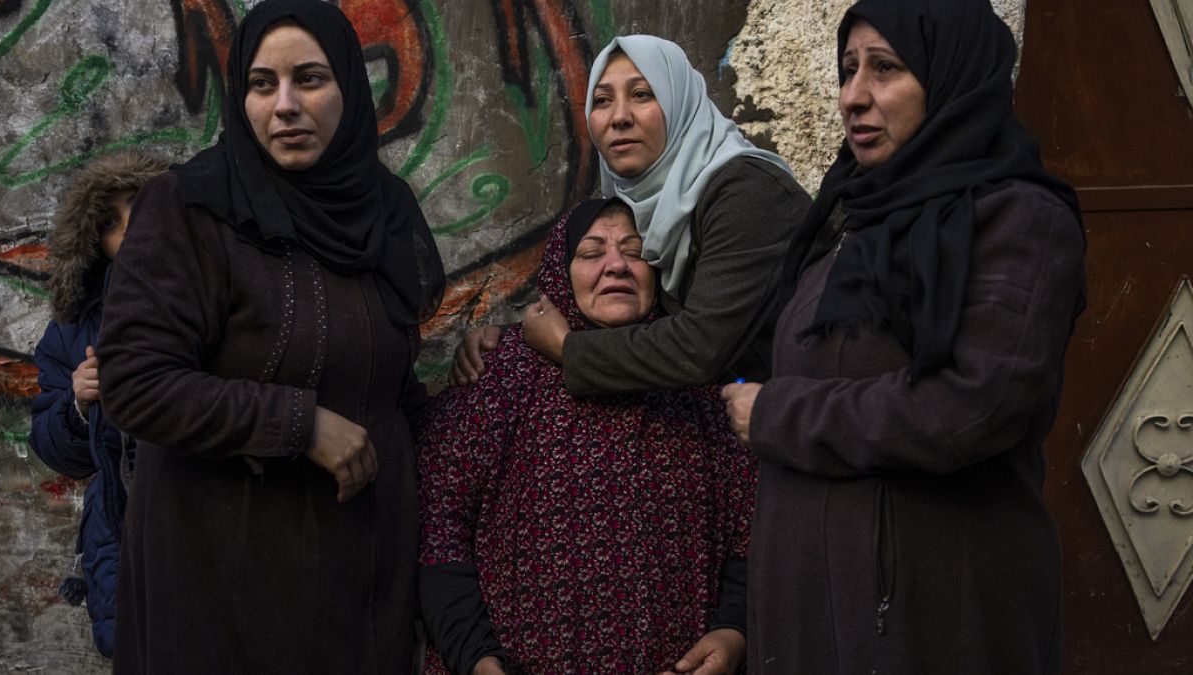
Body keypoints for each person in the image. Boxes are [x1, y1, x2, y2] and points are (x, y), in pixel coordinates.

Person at [720, 0, 1086, 672]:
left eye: (885, 69)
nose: (854, 97)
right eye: (848, 69)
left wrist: (778, 413)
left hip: (933, 619)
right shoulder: (849, 229)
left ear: (950, 78)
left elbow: (971, 406)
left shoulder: (1018, 223)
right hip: (806, 619)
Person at [96, 0, 444, 671]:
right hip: (223, 578)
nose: (284, 105)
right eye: (262, 84)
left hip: (359, 574)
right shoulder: (190, 208)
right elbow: (134, 384)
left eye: (309, 79)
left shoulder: (384, 209)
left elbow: (390, 380)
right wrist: (299, 423)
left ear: (349, 85)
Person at [418, 199, 755, 675]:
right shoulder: (499, 378)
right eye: (591, 252)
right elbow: (440, 528)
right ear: (559, 270)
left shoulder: (698, 389)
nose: (615, 265)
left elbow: (750, 531)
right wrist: (476, 659)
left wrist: (734, 630)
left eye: (635, 251)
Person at [451, 35, 812, 395]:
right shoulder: (645, 205)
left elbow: (699, 347)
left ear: (679, 103)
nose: (619, 117)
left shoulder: (746, 191)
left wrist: (563, 347)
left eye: (641, 94)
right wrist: (509, 340)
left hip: (815, 420)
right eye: (602, 100)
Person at [28, 151, 167, 658]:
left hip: (210, 519)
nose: (129, 229)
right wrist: (78, 405)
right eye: (110, 222)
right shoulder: (73, 331)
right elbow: (55, 448)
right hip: (121, 532)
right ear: (93, 242)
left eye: (142, 207)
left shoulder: (218, 297)